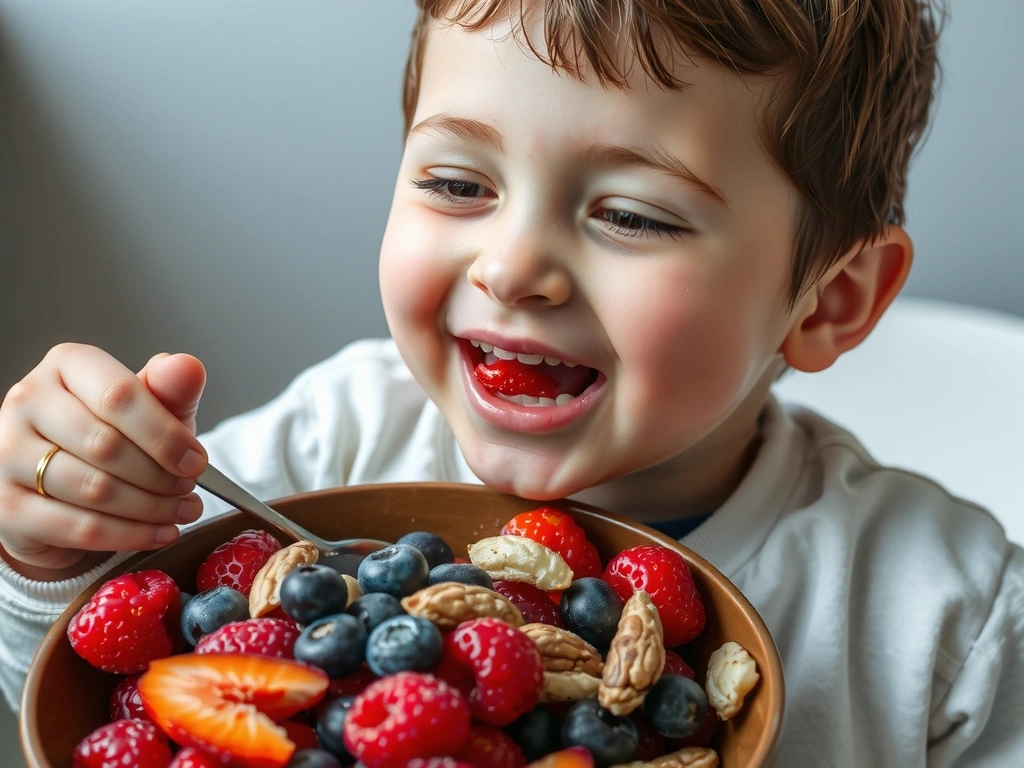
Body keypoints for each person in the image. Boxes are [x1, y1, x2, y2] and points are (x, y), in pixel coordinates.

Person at [1, 0, 1021, 764]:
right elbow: (74, 679)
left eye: (632, 215)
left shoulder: (949, 620)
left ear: (828, 301)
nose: (511, 267)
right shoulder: (333, 437)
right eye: (458, 184)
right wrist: (52, 549)